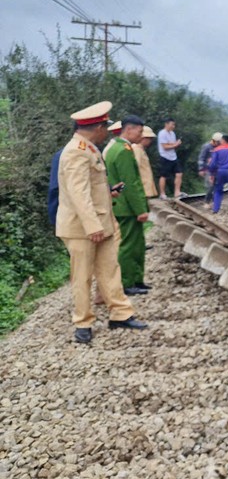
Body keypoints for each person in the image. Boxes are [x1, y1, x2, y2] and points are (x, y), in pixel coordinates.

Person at [56, 100, 147, 344]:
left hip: (100, 224)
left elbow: (91, 187)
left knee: (110, 271)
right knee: (82, 276)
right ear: (97, 128)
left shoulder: (89, 148)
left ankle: (120, 313)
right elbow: (78, 193)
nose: (107, 131)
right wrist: (92, 226)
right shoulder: (76, 151)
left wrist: (108, 192)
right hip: (82, 228)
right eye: (105, 127)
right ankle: (83, 322)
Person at [106, 115, 151, 295]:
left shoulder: (118, 147)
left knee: (138, 243)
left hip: (126, 205)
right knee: (128, 245)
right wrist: (140, 209)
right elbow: (130, 183)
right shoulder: (123, 150)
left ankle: (137, 279)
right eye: (139, 132)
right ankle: (127, 282)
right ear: (129, 129)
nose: (141, 136)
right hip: (127, 207)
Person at [157, 117, 184, 199]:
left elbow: (171, 144)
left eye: (174, 125)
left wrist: (175, 144)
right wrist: (175, 144)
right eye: (172, 124)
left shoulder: (172, 133)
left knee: (179, 173)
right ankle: (162, 194)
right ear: (166, 124)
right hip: (165, 156)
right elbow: (165, 146)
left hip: (173, 156)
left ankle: (177, 192)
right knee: (163, 176)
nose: (173, 126)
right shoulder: (162, 133)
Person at [198, 132, 223, 208]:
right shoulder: (206, 147)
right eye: (219, 142)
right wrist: (201, 169)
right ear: (214, 140)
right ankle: (206, 202)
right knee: (210, 186)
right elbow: (201, 158)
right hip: (207, 169)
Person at [133, 126, 158, 198]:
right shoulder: (136, 149)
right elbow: (136, 166)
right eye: (149, 138)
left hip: (146, 184)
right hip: (142, 185)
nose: (150, 141)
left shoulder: (141, 149)